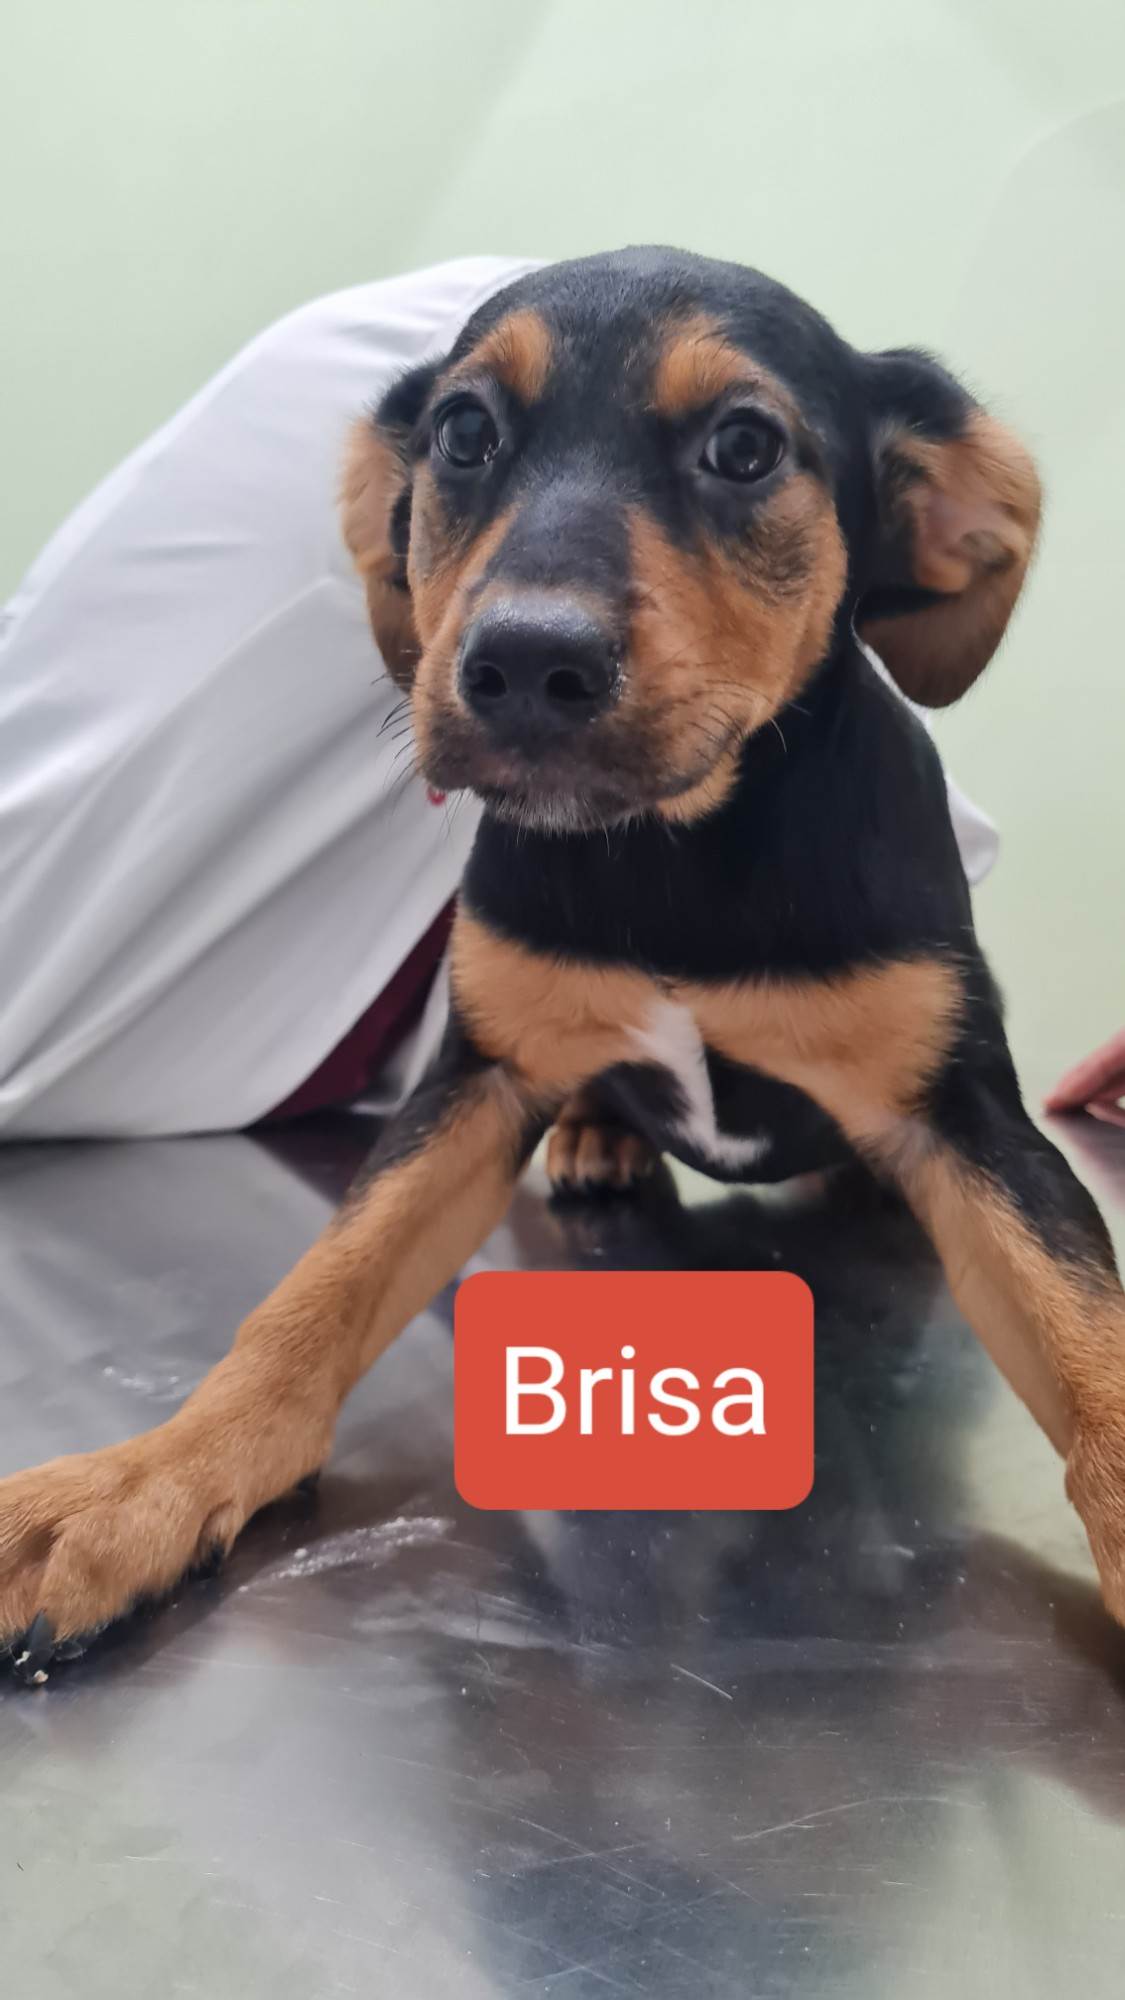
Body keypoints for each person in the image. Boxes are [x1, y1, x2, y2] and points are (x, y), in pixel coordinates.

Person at [0, 257, 999, 1141]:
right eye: (469, 436)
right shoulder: (335, 458)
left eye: (740, 448)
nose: (532, 625)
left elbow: (869, 828)